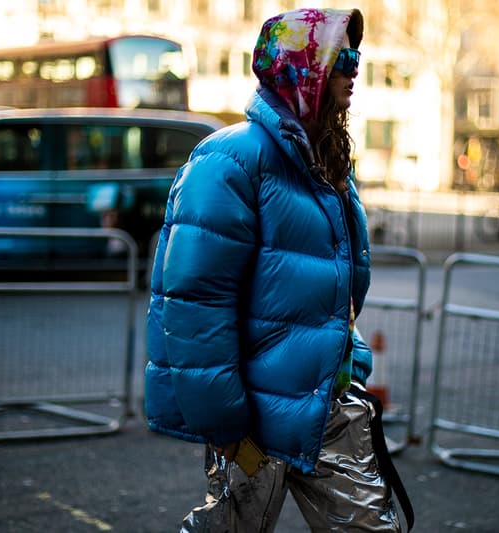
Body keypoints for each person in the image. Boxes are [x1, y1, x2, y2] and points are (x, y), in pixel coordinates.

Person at [145, 8, 412, 532]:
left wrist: (350, 366)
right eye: (342, 59)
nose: (354, 71)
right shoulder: (231, 159)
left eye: (356, 59)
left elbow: (341, 296)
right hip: (253, 422)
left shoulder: (328, 162)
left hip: (329, 406)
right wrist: (222, 419)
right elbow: (195, 301)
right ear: (300, 65)